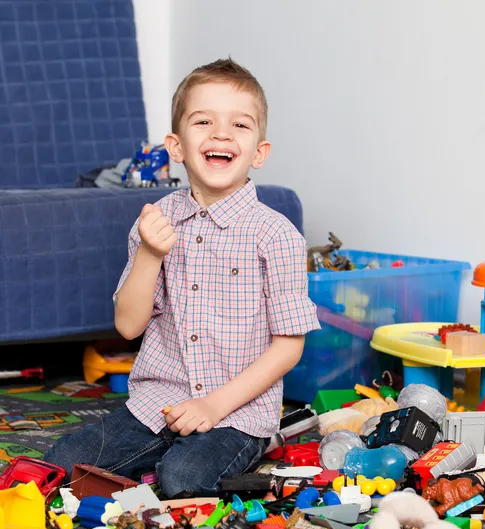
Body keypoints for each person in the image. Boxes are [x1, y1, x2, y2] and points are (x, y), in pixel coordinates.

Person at [44, 58, 320, 498]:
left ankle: (246, 448)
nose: (221, 133)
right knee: (60, 465)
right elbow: (128, 326)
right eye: (204, 121)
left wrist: (214, 405)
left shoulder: (277, 235)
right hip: (158, 403)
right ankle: (155, 460)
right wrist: (151, 254)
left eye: (240, 125)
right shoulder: (156, 222)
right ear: (176, 146)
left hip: (236, 412)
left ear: (259, 152)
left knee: (183, 481)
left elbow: (289, 346)